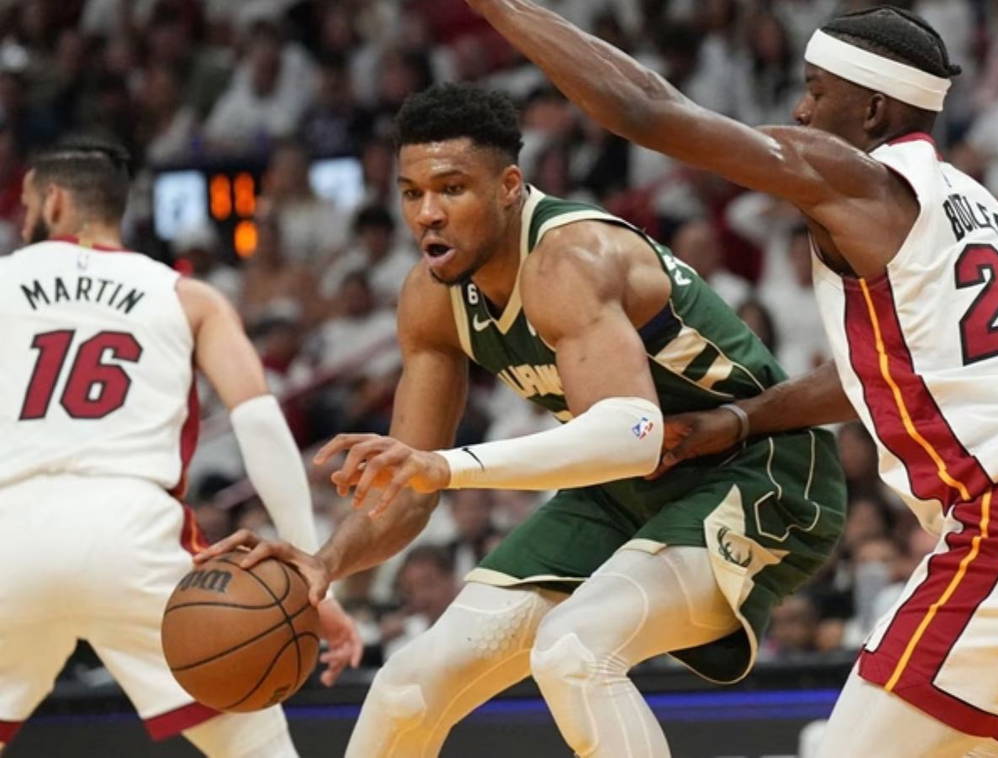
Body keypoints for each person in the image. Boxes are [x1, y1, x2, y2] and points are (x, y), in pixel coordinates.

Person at [461, 3, 998, 755]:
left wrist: (500, 9)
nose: (801, 111)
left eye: (815, 90)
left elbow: (645, 109)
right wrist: (742, 419)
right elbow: (887, 369)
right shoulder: (991, 213)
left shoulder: (856, 176)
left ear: (872, 109)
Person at [197, 84, 846, 758]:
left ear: (509, 186)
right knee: (407, 687)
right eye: (412, 193)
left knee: (574, 650)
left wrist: (447, 467)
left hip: (760, 470)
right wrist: (325, 561)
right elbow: (408, 486)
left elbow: (632, 434)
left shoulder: (570, 256)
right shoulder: (431, 297)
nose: (427, 214)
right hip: (629, 490)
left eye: (451, 189)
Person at [0, 138, 362, 756]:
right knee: (258, 745)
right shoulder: (187, 295)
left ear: (53, 201)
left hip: (11, 529)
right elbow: (261, 424)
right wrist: (309, 571)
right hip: (131, 534)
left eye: (28, 204)